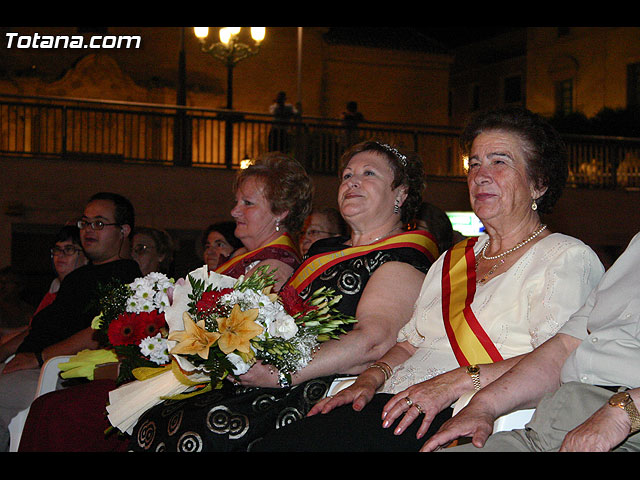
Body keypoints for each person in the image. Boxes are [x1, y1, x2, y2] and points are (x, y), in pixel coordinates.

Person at [252, 106, 605, 452]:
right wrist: (370, 378)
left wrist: (455, 382)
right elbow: (409, 344)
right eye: (475, 164)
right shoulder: (452, 258)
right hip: (393, 401)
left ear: (539, 183)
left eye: (499, 162)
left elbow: (561, 361)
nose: (480, 176)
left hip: (460, 412)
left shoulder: (565, 257)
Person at [124, 140, 438, 452]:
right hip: (277, 377)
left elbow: (374, 342)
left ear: (400, 194)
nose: (352, 181)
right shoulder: (324, 250)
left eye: (369, 173)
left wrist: (279, 373)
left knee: (199, 430)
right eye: (347, 175)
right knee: (159, 415)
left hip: (321, 384)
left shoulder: (403, 257)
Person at [17, 152, 310, 452]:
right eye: (237, 201)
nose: (234, 211)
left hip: (205, 387)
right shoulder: (246, 256)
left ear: (281, 212)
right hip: (180, 373)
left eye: (247, 203)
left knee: (59, 413)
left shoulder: (275, 266)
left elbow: (231, 345)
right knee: (51, 408)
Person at [423, 230, 640, 453]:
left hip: (625, 431)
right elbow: (566, 346)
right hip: (550, 426)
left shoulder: (568, 255)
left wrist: (625, 412)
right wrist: (484, 405)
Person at [0, 192, 141, 451]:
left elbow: (99, 332)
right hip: (29, 364)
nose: (89, 230)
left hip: (57, 374)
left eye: (99, 223)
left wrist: (39, 358)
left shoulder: (126, 278)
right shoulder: (80, 276)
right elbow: (40, 326)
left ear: (123, 231)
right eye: (85, 223)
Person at [0, 225, 88, 362]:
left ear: (86, 257)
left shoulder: (84, 293)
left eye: (69, 249)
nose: (61, 255)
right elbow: (34, 330)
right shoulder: (55, 292)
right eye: (57, 249)